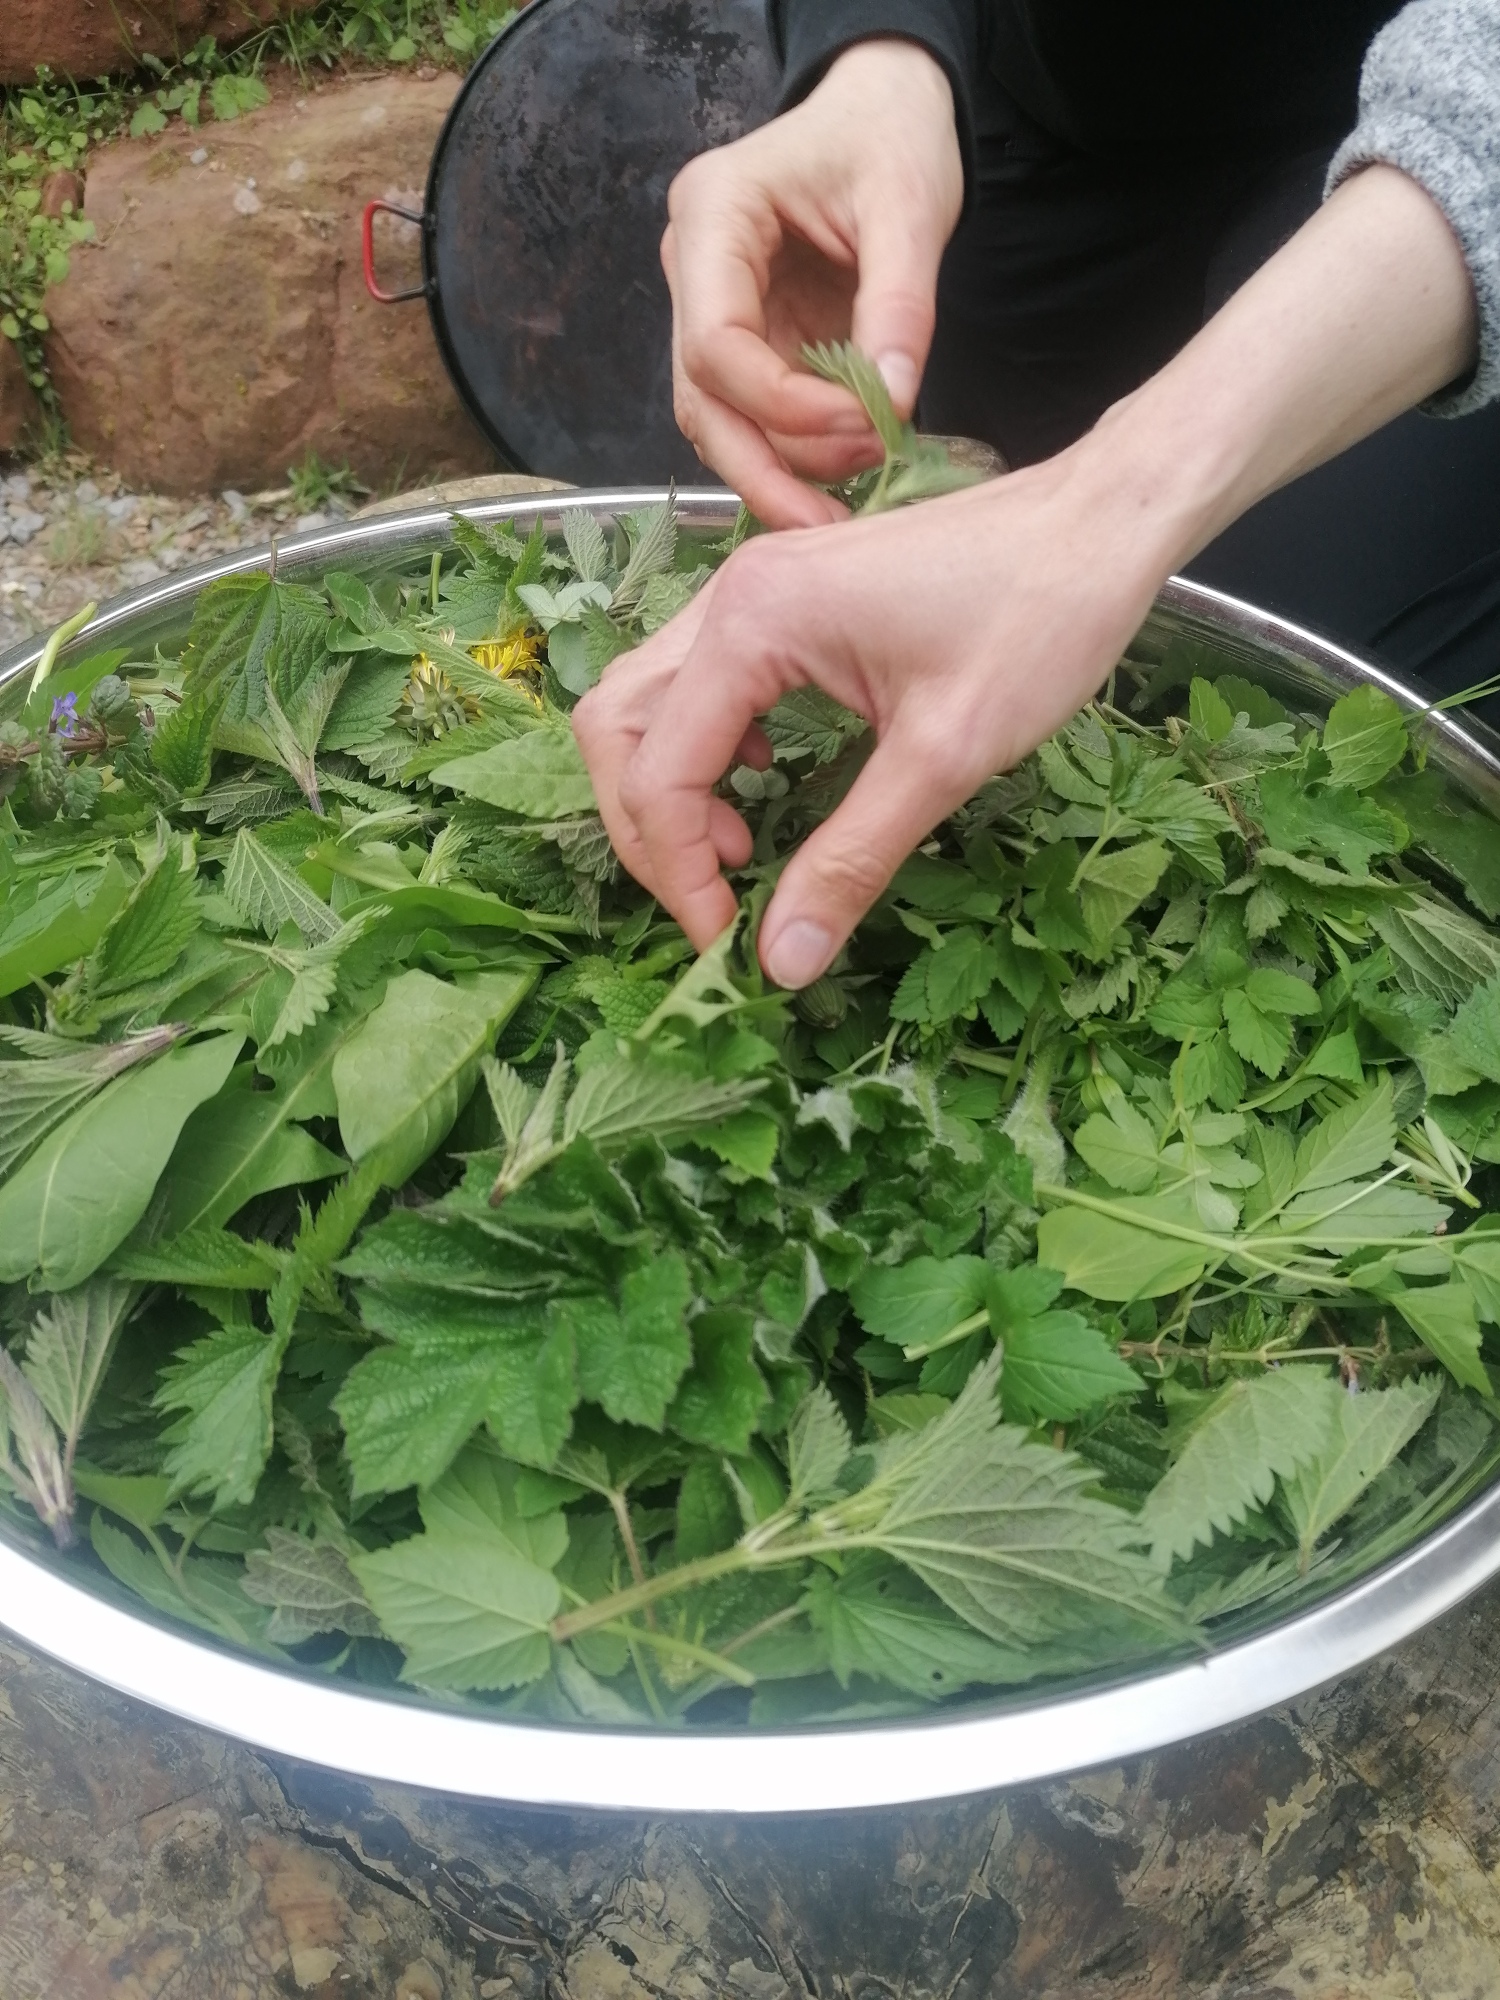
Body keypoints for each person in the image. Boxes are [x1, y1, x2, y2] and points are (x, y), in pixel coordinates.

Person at [573, 1, 1500, 991]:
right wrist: (881, 56)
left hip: (1437, 148)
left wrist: (1110, 502)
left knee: (1272, 658)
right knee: (971, 577)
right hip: (1052, 98)